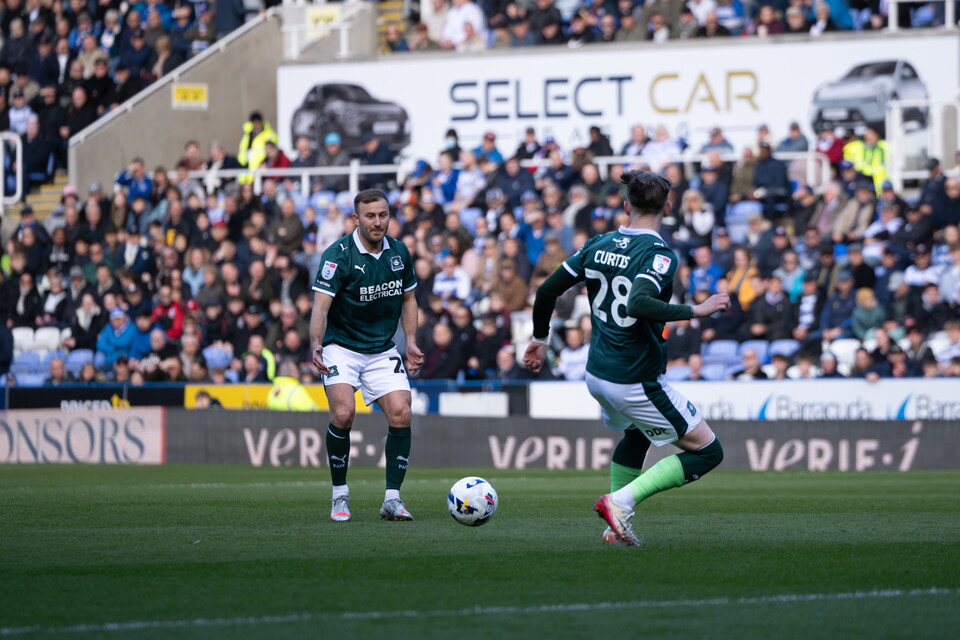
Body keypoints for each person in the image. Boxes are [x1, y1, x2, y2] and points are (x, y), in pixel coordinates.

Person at [523, 170, 730, 547]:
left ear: (625, 205)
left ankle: (614, 527)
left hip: (597, 373)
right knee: (708, 451)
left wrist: (540, 338)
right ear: (668, 207)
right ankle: (620, 503)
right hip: (635, 377)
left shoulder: (598, 243)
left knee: (635, 433)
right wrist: (696, 311)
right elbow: (637, 302)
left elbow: (546, 291)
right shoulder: (659, 255)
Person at [310, 189, 424, 523]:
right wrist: (316, 343)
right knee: (344, 414)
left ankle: (392, 498)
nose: (378, 222)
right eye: (371, 216)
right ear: (356, 219)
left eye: (383, 215)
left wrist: (412, 341)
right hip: (340, 347)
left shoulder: (400, 252)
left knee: (402, 412)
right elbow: (321, 306)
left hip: (381, 349)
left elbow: (409, 300)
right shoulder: (338, 255)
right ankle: (339, 495)